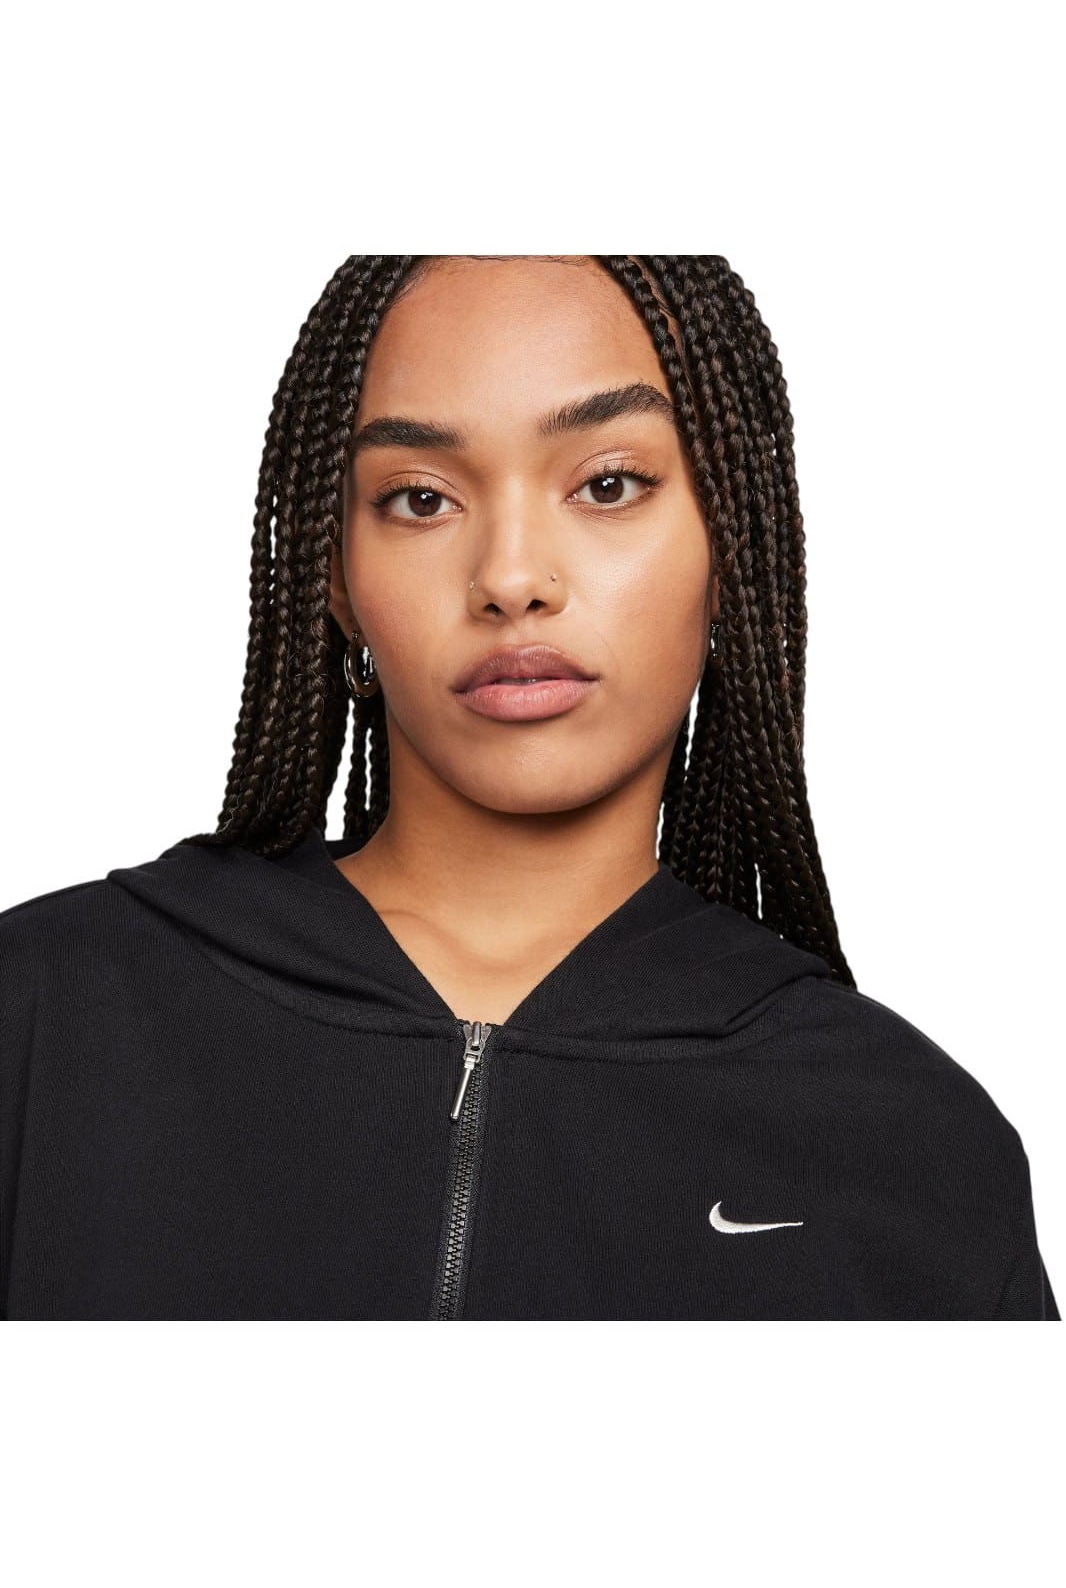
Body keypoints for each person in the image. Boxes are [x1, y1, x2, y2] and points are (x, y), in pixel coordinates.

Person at [0, 255, 1056, 1319]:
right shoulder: (43, 1010)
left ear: (730, 541)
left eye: (608, 485)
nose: (511, 579)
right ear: (337, 574)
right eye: (420, 499)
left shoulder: (912, 1147)